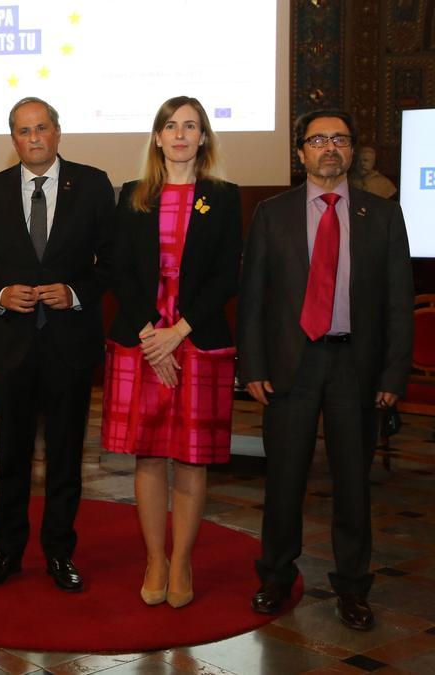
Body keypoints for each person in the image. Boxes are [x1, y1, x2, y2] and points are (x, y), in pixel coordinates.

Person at [239, 110, 413, 630]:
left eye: (339, 139)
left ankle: (354, 589)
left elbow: (399, 303)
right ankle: (274, 577)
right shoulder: (272, 213)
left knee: (354, 487)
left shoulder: (382, 215)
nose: (330, 147)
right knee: (284, 479)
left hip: (355, 366)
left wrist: (393, 375)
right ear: (301, 153)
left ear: (352, 150)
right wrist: (252, 366)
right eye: (319, 140)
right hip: (291, 366)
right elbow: (252, 300)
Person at [0, 97, 115, 590]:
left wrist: (74, 293)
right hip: (11, 345)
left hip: (70, 345)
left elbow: (111, 262)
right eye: (24, 131)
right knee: (10, 456)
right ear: (13, 140)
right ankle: (7, 551)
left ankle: (59, 553)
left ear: (57, 132)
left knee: (66, 456)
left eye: (42, 128)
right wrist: (2, 293)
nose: (34, 138)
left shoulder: (92, 185)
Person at [101, 96, 242, 609]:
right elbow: (120, 270)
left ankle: (182, 559)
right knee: (150, 454)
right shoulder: (133, 195)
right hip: (141, 338)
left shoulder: (223, 198)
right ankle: (154, 557)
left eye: (191, 126)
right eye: (170, 125)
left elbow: (227, 274)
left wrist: (178, 332)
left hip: (195, 339)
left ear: (204, 137)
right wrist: (151, 335)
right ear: (157, 136)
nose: (180, 134)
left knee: (191, 459)